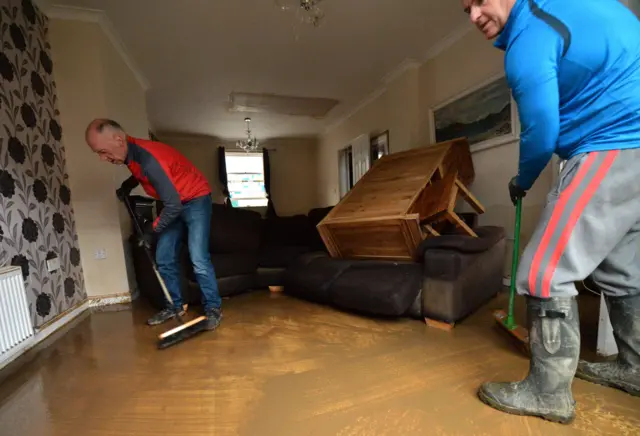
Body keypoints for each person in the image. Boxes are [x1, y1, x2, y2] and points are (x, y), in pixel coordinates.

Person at [462, 0, 640, 424]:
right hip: (633, 148)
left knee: (544, 269)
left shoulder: (530, 35)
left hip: (611, 142)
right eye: (464, 8)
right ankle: (636, 368)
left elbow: (541, 131)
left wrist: (522, 180)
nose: (473, 16)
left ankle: (548, 393)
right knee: (622, 268)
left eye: (480, 1)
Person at [85, 119, 223, 331]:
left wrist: (152, 231)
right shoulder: (132, 154)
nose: (103, 158)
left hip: (195, 199)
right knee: (164, 257)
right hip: (174, 202)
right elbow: (143, 173)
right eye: (99, 154)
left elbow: (172, 204)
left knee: (198, 257)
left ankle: (213, 308)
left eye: (103, 152)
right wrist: (128, 185)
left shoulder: (148, 158)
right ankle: (175, 306)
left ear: (118, 140)